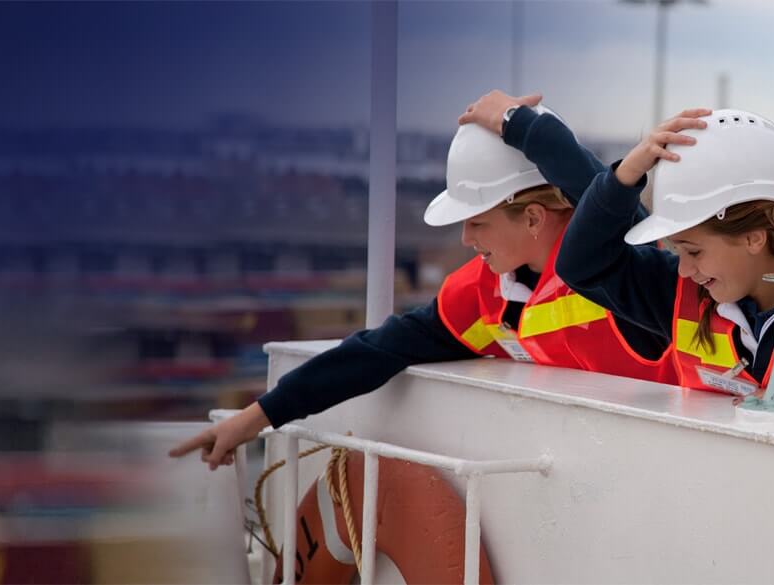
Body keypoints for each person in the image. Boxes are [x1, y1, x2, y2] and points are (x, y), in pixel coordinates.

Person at [171, 108, 673, 469]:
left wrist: (521, 124)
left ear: (535, 217)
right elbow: (377, 351)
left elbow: (607, 202)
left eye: (476, 222)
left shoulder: (621, 267)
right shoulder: (483, 295)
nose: (464, 239)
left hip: (663, 471)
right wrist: (257, 416)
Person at [552, 107, 774, 399]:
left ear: (753, 238)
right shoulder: (682, 297)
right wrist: (624, 177)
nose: (682, 270)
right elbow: (582, 264)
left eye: (693, 250)